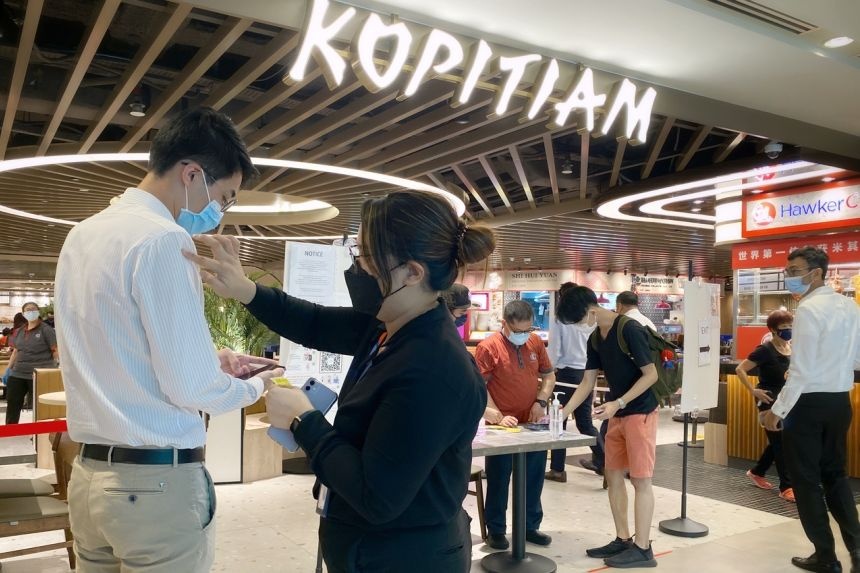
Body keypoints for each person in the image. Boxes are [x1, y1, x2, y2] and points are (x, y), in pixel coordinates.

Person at [186, 190, 495, 573]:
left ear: (413, 272)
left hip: (403, 557)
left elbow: (376, 495)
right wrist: (245, 290)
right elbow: (314, 322)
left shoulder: (434, 371)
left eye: (367, 256)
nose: (358, 267)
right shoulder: (389, 327)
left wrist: (304, 421)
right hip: (366, 549)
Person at [54, 107, 284, 573]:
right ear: (191, 174)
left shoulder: (82, 234)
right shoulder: (164, 240)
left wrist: (209, 357)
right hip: (154, 484)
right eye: (224, 197)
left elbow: (114, 346)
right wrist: (256, 386)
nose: (220, 212)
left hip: (89, 477)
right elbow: (194, 389)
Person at [764, 247, 860, 573]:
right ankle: (857, 551)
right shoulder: (850, 306)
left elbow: (801, 370)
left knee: (805, 481)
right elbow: (857, 357)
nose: (789, 276)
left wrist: (777, 409)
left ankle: (825, 556)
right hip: (839, 402)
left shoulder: (807, 309)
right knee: (836, 476)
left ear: (816, 273)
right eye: (788, 271)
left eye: (794, 270)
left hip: (807, 405)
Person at [557, 285, 659, 569]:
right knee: (613, 475)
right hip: (616, 414)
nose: (579, 327)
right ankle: (623, 538)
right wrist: (562, 414)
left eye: (579, 321)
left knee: (640, 480)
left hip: (640, 412)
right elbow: (587, 381)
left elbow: (650, 375)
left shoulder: (630, 329)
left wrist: (620, 402)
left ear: (591, 311)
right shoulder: (595, 338)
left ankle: (643, 548)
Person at [475, 299, 556, 550]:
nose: (524, 335)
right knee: (499, 478)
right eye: (519, 330)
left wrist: (541, 401)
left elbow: (549, 375)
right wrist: (495, 414)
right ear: (505, 324)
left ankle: (530, 526)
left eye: (528, 329)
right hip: (502, 425)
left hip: (531, 422)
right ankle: (496, 529)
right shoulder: (489, 347)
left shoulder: (535, 342)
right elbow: (480, 385)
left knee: (534, 476)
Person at [546, 282, 604, 483]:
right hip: (588, 372)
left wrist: (549, 371)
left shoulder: (561, 318)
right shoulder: (593, 317)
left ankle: (557, 469)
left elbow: (554, 349)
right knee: (584, 422)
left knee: (558, 422)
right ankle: (606, 462)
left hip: (567, 374)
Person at [736, 309, 794, 502]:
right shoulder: (765, 350)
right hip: (768, 399)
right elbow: (740, 369)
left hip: (786, 399)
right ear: (773, 330)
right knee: (780, 442)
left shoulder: (791, 347)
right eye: (784, 327)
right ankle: (786, 486)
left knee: (780, 440)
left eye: (790, 326)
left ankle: (757, 471)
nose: (788, 330)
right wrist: (753, 390)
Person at [3, 302, 59, 424]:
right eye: (28, 310)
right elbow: (16, 351)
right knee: (13, 403)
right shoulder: (19, 331)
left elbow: (55, 351)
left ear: (38, 312)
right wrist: (8, 368)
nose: (31, 312)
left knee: (40, 405)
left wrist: (58, 368)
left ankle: (41, 431)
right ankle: (11, 429)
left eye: (33, 309)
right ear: (23, 313)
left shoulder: (46, 330)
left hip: (39, 374)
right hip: (18, 372)